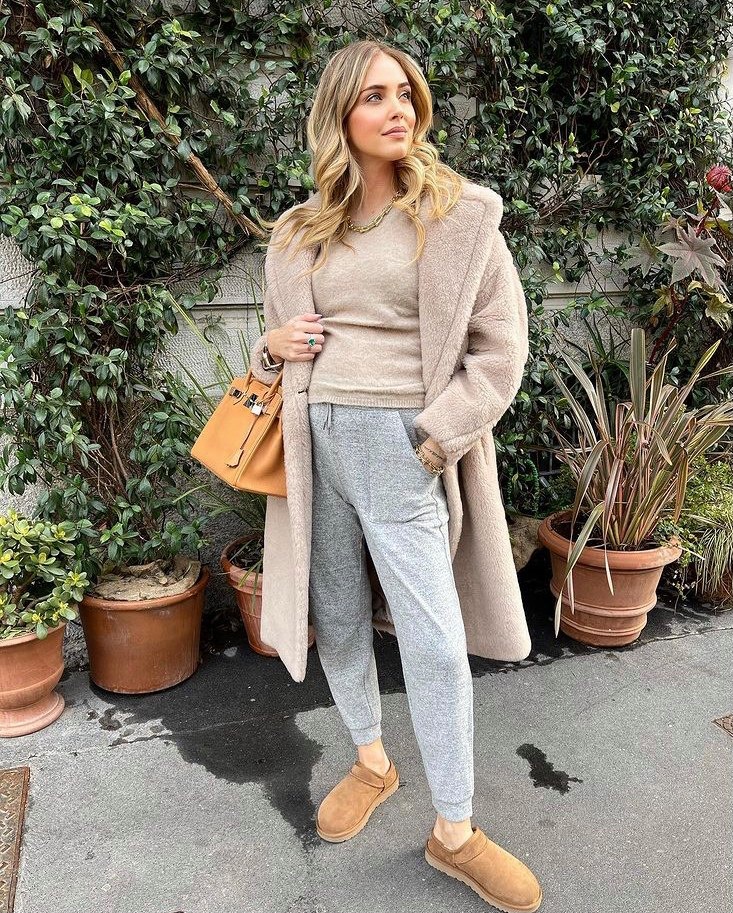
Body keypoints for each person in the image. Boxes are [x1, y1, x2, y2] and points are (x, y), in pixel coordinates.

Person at [249, 39, 542, 913]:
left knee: (433, 638)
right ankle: (371, 760)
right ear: (339, 115)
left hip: (403, 444)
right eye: (375, 95)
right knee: (336, 612)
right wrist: (270, 345)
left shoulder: (459, 216)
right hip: (314, 443)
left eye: (405, 93)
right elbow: (275, 347)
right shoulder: (298, 231)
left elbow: (501, 351)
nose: (397, 108)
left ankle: (453, 829)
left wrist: (433, 437)